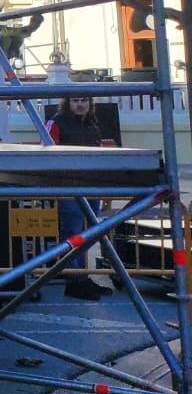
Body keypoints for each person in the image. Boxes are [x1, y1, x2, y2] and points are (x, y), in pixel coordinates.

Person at [46, 95, 112, 301]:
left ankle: (82, 276)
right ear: (68, 103)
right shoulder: (56, 123)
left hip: (91, 184)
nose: (81, 104)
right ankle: (73, 279)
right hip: (68, 186)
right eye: (75, 100)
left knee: (88, 232)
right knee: (72, 231)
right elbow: (47, 151)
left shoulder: (92, 124)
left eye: (84, 100)